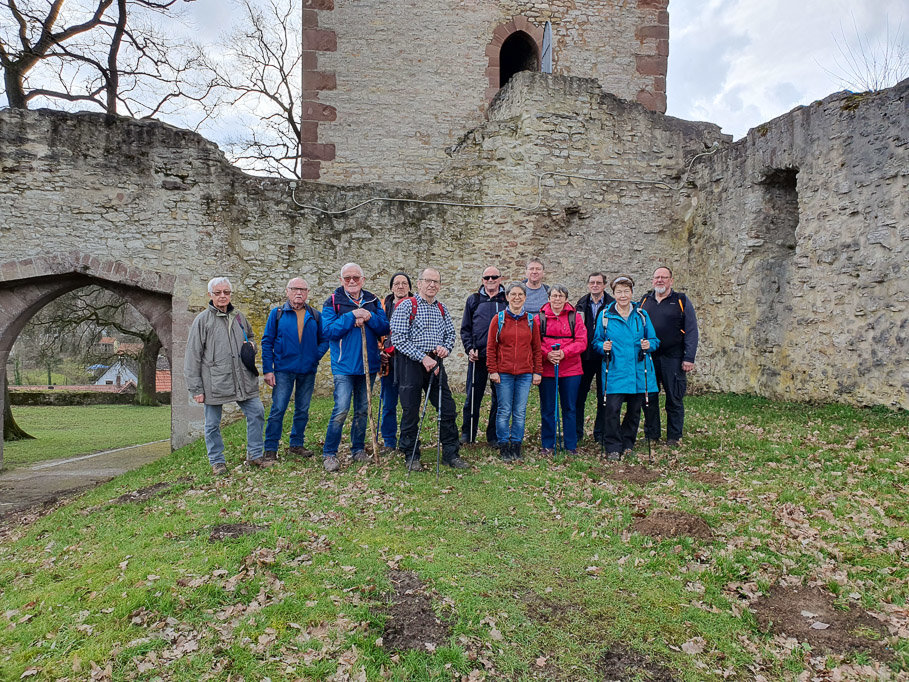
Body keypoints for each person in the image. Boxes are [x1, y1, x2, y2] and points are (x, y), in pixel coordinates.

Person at [184, 277, 271, 475]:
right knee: (212, 424)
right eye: (218, 293)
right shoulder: (202, 321)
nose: (223, 296)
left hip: (243, 378)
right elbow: (192, 357)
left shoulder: (239, 316)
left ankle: (256, 455)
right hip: (214, 381)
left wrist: (252, 347)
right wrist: (196, 389)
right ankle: (217, 461)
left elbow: (251, 336)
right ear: (210, 295)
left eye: (226, 292)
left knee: (257, 412)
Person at [389, 268, 468, 471]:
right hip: (411, 364)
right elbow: (398, 338)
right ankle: (411, 454)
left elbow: (450, 334)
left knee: (447, 408)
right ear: (419, 284)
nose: (432, 285)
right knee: (410, 411)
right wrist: (422, 357)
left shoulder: (441, 308)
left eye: (436, 282)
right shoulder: (407, 306)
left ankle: (451, 453)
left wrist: (445, 348)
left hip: (435, 364)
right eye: (428, 281)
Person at [320, 263, 389, 472]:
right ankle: (329, 453)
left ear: (363, 280)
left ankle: (358, 449)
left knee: (362, 409)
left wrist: (369, 317)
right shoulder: (333, 301)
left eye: (356, 278)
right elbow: (329, 331)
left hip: (368, 365)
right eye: (347, 278)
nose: (352, 281)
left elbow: (384, 327)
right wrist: (351, 317)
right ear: (341, 280)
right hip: (344, 365)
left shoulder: (373, 300)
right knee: (341, 409)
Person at [593, 275, 660, 460]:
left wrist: (649, 345)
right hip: (615, 370)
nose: (623, 295)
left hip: (638, 370)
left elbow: (654, 340)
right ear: (613, 294)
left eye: (626, 291)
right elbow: (596, 341)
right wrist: (602, 347)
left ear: (631, 293)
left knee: (634, 410)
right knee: (612, 409)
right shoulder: (605, 316)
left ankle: (628, 442)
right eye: (619, 292)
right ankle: (613, 445)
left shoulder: (641, 315)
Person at [261, 277, 328, 461]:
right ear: (287, 291)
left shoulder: (315, 315)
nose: (299, 293)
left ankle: (296, 444)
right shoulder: (278, 314)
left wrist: (314, 356)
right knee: (278, 408)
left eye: (303, 289)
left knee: (302, 409)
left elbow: (324, 340)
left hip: (307, 370)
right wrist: (268, 370)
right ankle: (271, 448)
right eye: (295, 289)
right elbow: (267, 342)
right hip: (283, 370)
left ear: (307, 293)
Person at [640, 266, 699, 447]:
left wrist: (689, 357)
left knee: (674, 397)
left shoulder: (680, 300)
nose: (660, 280)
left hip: (673, 358)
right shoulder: (645, 301)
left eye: (664, 277)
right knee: (649, 397)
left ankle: (674, 436)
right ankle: (652, 434)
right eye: (657, 277)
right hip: (649, 359)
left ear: (671, 281)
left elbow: (691, 330)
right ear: (652, 280)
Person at [486, 282, 542, 461]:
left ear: (525, 298)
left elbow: (536, 348)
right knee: (504, 410)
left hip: (525, 373)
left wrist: (537, 372)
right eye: (513, 294)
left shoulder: (531, 321)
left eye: (520, 295)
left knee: (519, 411)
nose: (517, 298)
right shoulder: (498, 319)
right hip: (504, 373)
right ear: (507, 297)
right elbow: (491, 347)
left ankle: (516, 445)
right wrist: (493, 370)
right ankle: (504, 446)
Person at [459, 265, 507, 445]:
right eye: (487, 278)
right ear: (482, 280)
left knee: (499, 398)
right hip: (477, 356)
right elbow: (465, 329)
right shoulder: (474, 300)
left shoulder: (506, 300)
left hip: (500, 357)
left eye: (494, 277)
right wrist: (469, 348)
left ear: (500, 279)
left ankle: (493, 435)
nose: (491, 280)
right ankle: (468, 433)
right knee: (473, 395)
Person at [538, 284, 587, 456]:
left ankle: (571, 445)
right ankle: (548, 444)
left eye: (560, 296)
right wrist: (547, 354)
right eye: (554, 296)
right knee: (548, 408)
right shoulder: (540, 318)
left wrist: (564, 353)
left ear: (566, 299)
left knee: (570, 408)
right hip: (547, 369)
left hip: (571, 369)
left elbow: (582, 341)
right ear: (549, 298)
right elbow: (535, 342)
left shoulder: (575, 318)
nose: (557, 299)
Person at [575, 272, 614, 446]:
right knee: (579, 395)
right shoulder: (581, 304)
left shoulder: (612, 304)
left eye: (599, 282)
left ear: (604, 285)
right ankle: (577, 431)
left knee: (603, 395)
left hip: (605, 357)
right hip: (584, 356)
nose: (595, 285)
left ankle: (601, 432)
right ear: (588, 284)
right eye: (592, 282)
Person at [379, 271, 413, 450]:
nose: (400, 286)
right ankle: (389, 440)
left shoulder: (417, 306)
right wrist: (380, 352)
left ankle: (407, 440)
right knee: (389, 404)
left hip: (409, 362)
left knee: (409, 405)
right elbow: (377, 331)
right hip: (389, 362)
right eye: (397, 283)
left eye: (404, 283)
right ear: (391, 287)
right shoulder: (383, 307)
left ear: (409, 287)